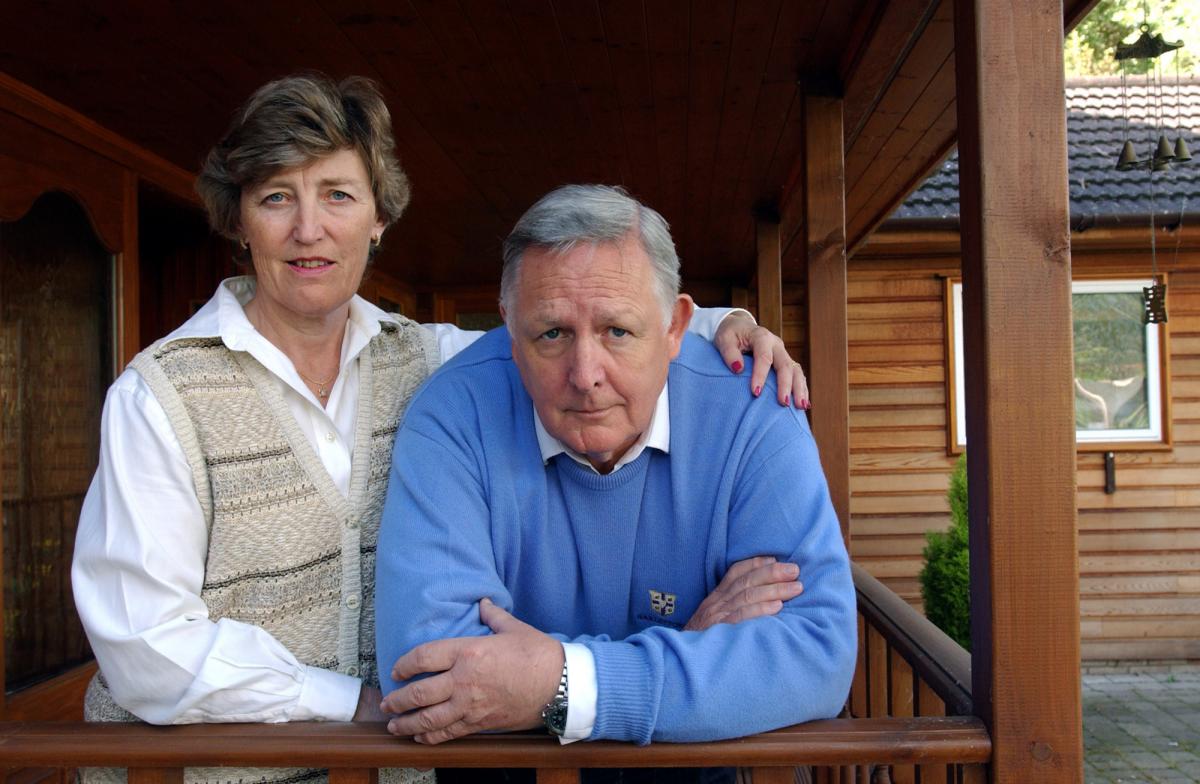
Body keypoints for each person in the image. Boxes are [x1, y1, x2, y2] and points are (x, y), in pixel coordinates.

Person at [70, 74, 807, 784]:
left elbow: (569, 325)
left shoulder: (427, 358)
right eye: (275, 197)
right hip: (198, 774)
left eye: (337, 195)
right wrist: (349, 703)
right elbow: (145, 645)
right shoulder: (159, 396)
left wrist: (725, 327)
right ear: (237, 219)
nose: (308, 229)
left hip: (387, 772)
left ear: (378, 217)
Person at [374, 185, 858, 782]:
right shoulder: (453, 413)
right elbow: (427, 674)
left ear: (677, 326)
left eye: (617, 332)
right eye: (550, 334)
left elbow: (816, 653)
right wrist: (693, 648)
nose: (585, 376)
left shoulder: (753, 407)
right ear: (507, 327)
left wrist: (561, 684)